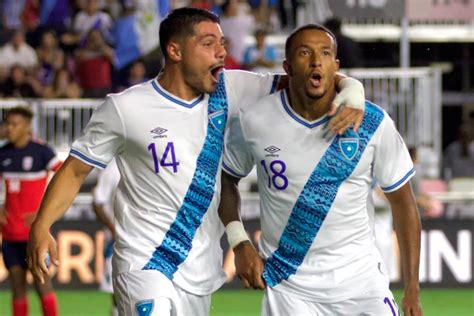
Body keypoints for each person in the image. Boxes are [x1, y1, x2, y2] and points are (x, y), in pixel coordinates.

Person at [27, 8, 364, 315]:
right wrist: (42, 224)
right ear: (175, 51)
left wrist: (353, 92)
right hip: (145, 263)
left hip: (200, 271)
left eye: (222, 42)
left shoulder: (230, 89)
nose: (221, 51)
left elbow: (305, 79)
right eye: (208, 43)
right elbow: (75, 170)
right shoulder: (126, 108)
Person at [220, 24, 422, 315]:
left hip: (361, 284)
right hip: (290, 289)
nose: (316, 61)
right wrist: (239, 241)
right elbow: (227, 179)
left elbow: (404, 204)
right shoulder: (256, 119)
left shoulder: (372, 123)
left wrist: (412, 289)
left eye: (325, 53)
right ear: (288, 66)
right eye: (305, 53)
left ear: (336, 66)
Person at [0, 106, 61, 316]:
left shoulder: (41, 151)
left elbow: (64, 179)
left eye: (14, 124)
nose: (9, 128)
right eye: (7, 123)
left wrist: (44, 211)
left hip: (35, 233)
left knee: (42, 284)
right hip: (9, 232)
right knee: (17, 287)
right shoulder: (3, 153)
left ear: (27, 127)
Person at [92, 158, 120, 316]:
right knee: (118, 294)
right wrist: (113, 230)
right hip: (116, 243)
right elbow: (97, 201)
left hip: (146, 240)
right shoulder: (113, 168)